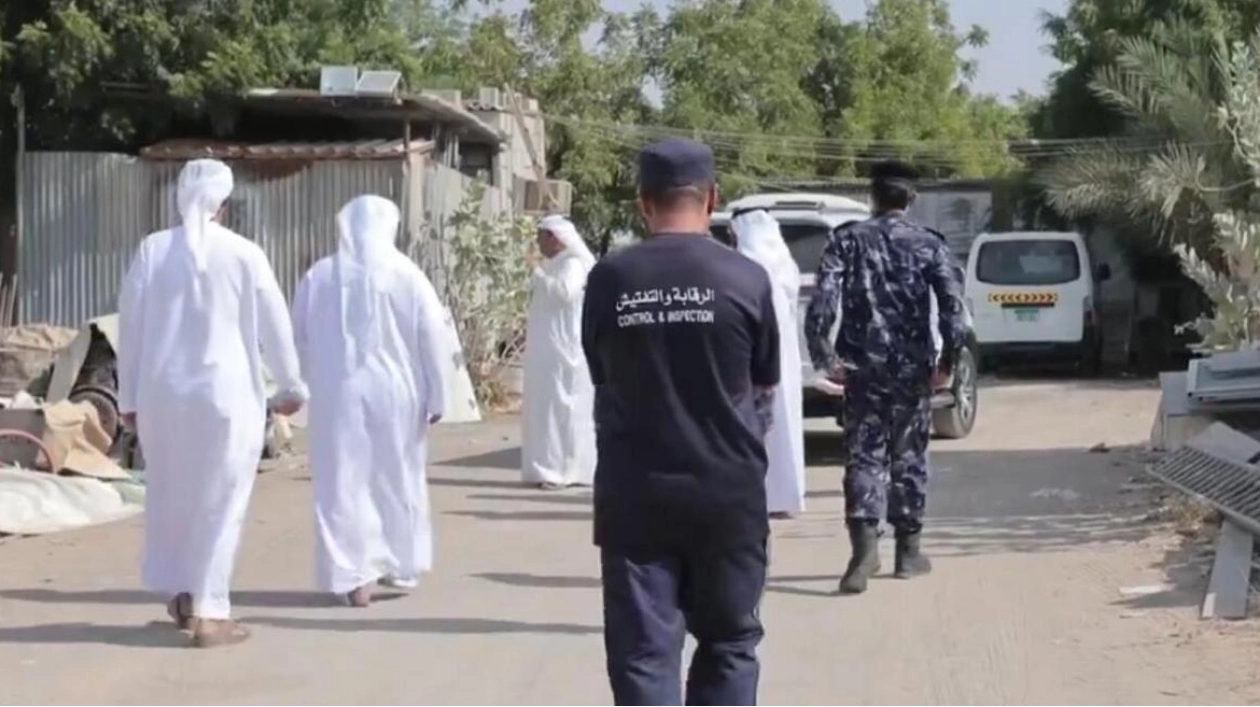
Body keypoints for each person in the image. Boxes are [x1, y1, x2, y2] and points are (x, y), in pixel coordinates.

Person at [582, 138, 780, 707]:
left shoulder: (610, 279)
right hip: (728, 496)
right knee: (730, 645)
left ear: (642, 202)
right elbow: (764, 382)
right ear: (712, 198)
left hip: (636, 497)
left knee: (643, 655)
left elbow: (601, 374)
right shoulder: (746, 278)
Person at [117, 159, 307, 647]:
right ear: (224, 203)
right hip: (228, 398)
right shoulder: (245, 254)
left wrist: (129, 397)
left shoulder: (152, 251)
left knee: (172, 498)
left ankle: (183, 595)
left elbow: (131, 329)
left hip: (163, 398)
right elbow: (275, 325)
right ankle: (211, 612)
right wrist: (291, 386)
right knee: (221, 501)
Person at [803, 160, 966, 596]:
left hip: (862, 368)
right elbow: (953, 309)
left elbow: (823, 303)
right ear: (911, 199)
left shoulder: (847, 241)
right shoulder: (929, 245)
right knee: (907, 455)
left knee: (863, 456)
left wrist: (824, 356)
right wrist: (948, 362)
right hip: (912, 368)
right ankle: (908, 554)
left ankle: (863, 551)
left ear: (872, 199)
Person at [291, 195, 448, 607]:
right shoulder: (408, 275)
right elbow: (433, 338)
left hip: (338, 393)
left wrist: (306, 384)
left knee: (342, 482)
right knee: (396, 476)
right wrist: (439, 393)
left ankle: (352, 576)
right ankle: (401, 564)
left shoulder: (320, 276)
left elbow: (298, 338)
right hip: (397, 394)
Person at [731, 209, 806, 517]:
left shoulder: (747, 266)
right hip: (783, 357)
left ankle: (761, 495)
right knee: (783, 425)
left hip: (757, 356)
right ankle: (785, 495)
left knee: (759, 425)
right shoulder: (785, 265)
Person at [521, 214, 597, 490]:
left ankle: (560, 470)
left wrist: (537, 273)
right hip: (547, 350)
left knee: (560, 408)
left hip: (564, 351)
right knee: (545, 408)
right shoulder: (555, 265)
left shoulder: (573, 264)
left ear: (555, 238)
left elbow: (566, 293)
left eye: (541, 237)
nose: (538, 243)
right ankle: (545, 467)